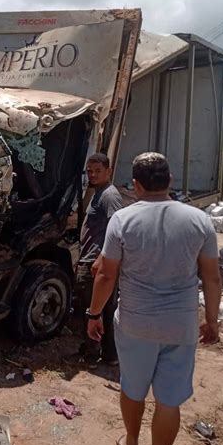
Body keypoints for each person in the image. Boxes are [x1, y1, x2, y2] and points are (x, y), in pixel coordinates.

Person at [87, 152, 221, 445]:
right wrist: (212, 321)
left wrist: (94, 314)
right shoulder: (199, 220)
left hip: (136, 322)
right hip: (181, 325)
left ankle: (132, 444)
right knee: (169, 400)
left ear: (135, 185)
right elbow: (212, 279)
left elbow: (106, 275)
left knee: (132, 388)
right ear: (169, 181)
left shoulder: (123, 219)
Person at [74, 152, 122, 368]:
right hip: (95, 260)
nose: (92, 175)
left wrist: (101, 257)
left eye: (97, 171)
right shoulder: (98, 193)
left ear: (108, 171)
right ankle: (110, 355)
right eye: (89, 171)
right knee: (105, 309)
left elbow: (117, 228)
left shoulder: (109, 196)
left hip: (95, 262)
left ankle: (91, 356)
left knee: (90, 308)